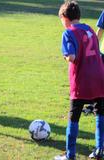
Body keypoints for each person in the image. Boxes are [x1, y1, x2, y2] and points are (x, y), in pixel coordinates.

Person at [54, 1, 104, 160]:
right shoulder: (89, 29)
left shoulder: (68, 32)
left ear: (64, 17)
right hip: (100, 77)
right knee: (100, 113)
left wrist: (65, 55)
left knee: (74, 116)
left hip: (82, 80)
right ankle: (100, 150)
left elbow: (71, 57)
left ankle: (70, 155)